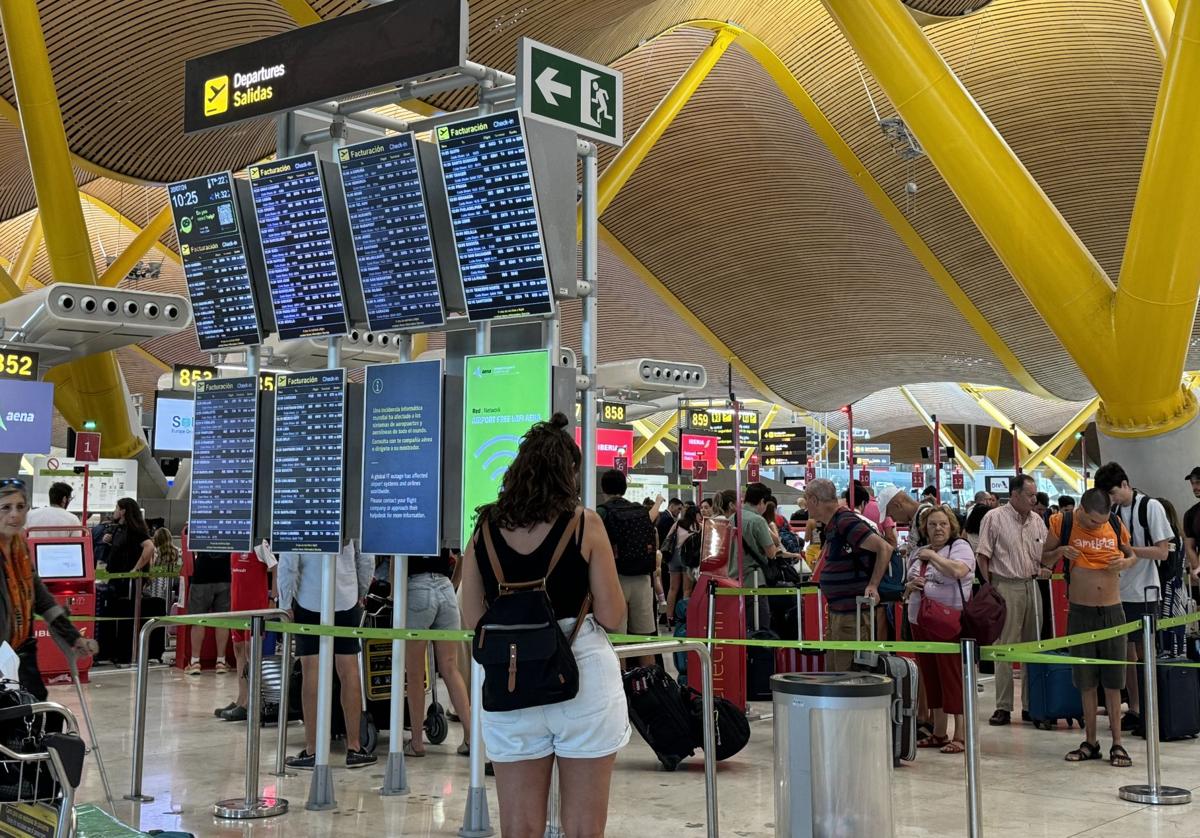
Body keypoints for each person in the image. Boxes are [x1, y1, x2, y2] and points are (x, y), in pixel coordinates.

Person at [460, 414, 628, 838]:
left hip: (509, 682)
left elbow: (471, 618)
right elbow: (612, 616)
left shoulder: (484, 527)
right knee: (584, 830)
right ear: (567, 473)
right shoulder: (584, 523)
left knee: (518, 829)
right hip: (580, 673)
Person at [1042, 488, 1136, 767]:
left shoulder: (1116, 524)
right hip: (1081, 612)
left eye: (1103, 521)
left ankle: (1118, 743)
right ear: (1082, 510)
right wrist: (1060, 551)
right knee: (1086, 680)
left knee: (1113, 680)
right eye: (1094, 522)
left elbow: (1132, 557)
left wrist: (1124, 562)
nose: (1099, 526)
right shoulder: (1063, 522)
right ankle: (1091, 741)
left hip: (1112, 610)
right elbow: (1043, 559)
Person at [280, 540, 376, 769]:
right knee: (349, 670)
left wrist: (284, 601)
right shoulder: (351, 507)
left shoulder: (299, 508)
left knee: (310, 672)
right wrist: (360, 592)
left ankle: (313, 749)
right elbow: (366, 557)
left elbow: (288, 562)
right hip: (345, 598)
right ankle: (354, 747)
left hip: (309, 598)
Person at [1094, 461, 1173, 734]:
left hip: (1145, 591)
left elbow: (1163, 552)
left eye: (1115, 492)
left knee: (1144, 652)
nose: (1113, 499)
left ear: (1126, 484)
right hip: (1117, 591)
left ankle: (1152, 709)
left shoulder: (1151, 507)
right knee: (1125, 653)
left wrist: (1129, 552)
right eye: (1109, 496)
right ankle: (1136, 708)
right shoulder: (1112, 512)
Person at [0, 479, 97, 699]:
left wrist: (73, 638)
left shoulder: (20, 548)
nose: (14, 514)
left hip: (21, 650)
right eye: (6, 507)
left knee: (34, 710)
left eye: (20, 507)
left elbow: (41, 598)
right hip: (3, 654)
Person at [975, 473, 1046, 726]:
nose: (1033, 499)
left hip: (1032, 585)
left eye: (1034, 494)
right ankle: (1003, 706)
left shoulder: (1037, 520)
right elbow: (983, 555)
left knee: (1033, 647)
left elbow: (1043, 553)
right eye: (1029, 495)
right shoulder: (994, 518)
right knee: (1005, 647)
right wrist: (990, 588)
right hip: (1005, 585)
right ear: (1014, 495)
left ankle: (1031, 705)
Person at [904, 504, 974, 754]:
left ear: (951, 526)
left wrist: (933, 557)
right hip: (919, 621)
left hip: (949, 623)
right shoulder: (918, 551)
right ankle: (939, 731)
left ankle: (961, 735)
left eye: (943, 524)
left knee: (952, 677)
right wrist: (913, 585)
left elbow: (958, 570)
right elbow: (906, 584)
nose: (938, 529)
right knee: (930, 676)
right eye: (932, 524)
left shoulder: (960, 548)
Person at [805, 478, 894, 672]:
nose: (805, 506)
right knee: (837, 672)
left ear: (814, 500)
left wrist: (873, 585)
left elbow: (884, 548)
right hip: (841, 613)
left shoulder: (845, 521)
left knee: (848, 676)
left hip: (853, 616)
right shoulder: (835, 524)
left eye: (806, 500)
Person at [404, 548, 472, 757]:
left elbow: (396, 559)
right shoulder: (444, 520)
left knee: (415, 673)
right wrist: (453, 582)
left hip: (416, 587)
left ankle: (416, 742)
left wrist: (395, 595)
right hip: (445, 588)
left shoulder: (406, 520)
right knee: (450, 669)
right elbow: (463, 553)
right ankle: (471, 738)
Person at [597, 469, 658, 665]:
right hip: (643, 580)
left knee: (618, 643)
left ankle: (623, 689)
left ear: (603, 488)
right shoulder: (640, 511)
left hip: (615, 580)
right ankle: (649, 688)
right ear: (624, 488)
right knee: (644, 641)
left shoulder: (602, 512)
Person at [216, 543, 276, 721]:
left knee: (252, 653)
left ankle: (253, 701)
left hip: (254, 608)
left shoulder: (260, 545)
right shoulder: (234, 543)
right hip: (237, 607)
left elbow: (275, 567)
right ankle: (241, 699)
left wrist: (272, 598)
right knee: (239, 650)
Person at [183, 551, 232, 675]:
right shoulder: (229, 530)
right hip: (224, 575)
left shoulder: (201, 530)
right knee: (222, 620)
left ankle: (195, 662)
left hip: (202, 574)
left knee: (198, 620)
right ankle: (221, 662)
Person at [101, 498, 153, 599]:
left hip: (127, 582)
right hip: (116, 578)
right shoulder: (119, 528)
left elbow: (149, 546)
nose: (114, 511)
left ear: (123, 511)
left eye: (117, 508)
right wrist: (109, 541)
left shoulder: (133, 529)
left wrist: (136, 569)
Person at [665, 503, 701, 621]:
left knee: (673, 588)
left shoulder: (678, 523)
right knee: (687, 590)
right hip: (687, 558)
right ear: (696, 515)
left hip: (674, 557)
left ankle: (669, 618)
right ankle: (684, 617)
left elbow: (668, 537)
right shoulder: (698, 526)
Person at [145, 528, 179, 604]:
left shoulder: (155, 552)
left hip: (156, 583)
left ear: (157, 539)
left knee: (156, 604)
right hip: (169, 583)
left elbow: (151, 571)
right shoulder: (176, 551)